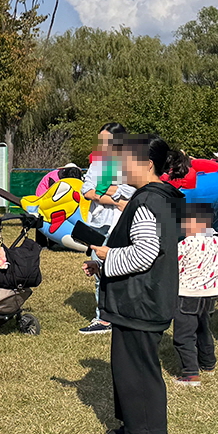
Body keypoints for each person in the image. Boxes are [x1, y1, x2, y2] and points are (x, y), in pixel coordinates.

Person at [84, 135, 185, 434]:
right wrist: (103, 264)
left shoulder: (147, 201)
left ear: (148, 164)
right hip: (143, 297)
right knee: (127, 367)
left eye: (127, 162)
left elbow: (145, 253)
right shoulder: (162, 197)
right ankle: (135, 426)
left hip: (142, 300)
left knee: (140, 370)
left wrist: (107, 257)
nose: (121, 169)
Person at [172, 205, 218, 386]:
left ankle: (190, 373)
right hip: (210, 294)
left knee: (184, 335)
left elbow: (172, 266)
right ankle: (208, 363)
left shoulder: (185, 244)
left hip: (187, 293)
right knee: (203, 328)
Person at [79, 123, 127, 335]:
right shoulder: (97, 164)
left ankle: (122, 314)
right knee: (99, 269)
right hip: (99, 224)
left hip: (122, 224)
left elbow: (130, 190)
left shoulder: (131, 163)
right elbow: (87, 191)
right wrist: (115, 198)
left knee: (122, 269)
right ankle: (104, 318)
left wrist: (102, 190)